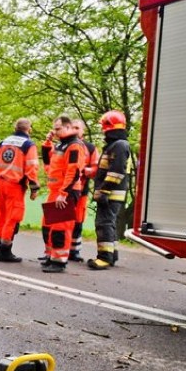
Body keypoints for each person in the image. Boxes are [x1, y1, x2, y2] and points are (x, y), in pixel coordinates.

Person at [0, 118, 41, 262]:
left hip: (0, 183)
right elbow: (32, 168)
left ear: (15, 127)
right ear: (29, 129)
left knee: (2, 216)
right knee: (13, 218)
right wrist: (34, 188)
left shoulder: (4, 142)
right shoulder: (29, 145)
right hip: (15, 185)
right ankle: (5, 250)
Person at [39, 115, 87, 273]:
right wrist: (47, 142)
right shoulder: (61, 145)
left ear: (68, 127)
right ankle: (52, 257)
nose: (55, 131)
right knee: (50, 226)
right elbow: (48, 161)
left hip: (65, 191)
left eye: (58, 128)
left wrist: (63, 193)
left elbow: (73, 171)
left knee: (61, 227)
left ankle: (59, 262)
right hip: (56, 191)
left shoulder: (74, 146)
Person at [87, 110, 131, 270]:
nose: (102, 130)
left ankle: (104, 258)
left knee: (104, 224)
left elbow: (116, 172)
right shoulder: (117, 145)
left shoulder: (119, 145)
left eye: (103, 127)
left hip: (111, 193)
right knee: (109, 223)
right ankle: (112, 255)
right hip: (112, 193)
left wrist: (104, 191)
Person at [70, 119, 100, 262]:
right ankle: (51, 250)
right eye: (72, 127)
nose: (75, 130)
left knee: (77, 221)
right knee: (57, 221)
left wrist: (87, 170)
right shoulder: (62, 145)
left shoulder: (90, 148)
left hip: (81, 190)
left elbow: (96, 168)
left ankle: (74, 251)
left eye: (77, 128)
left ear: (83, 131)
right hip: (61, 191)